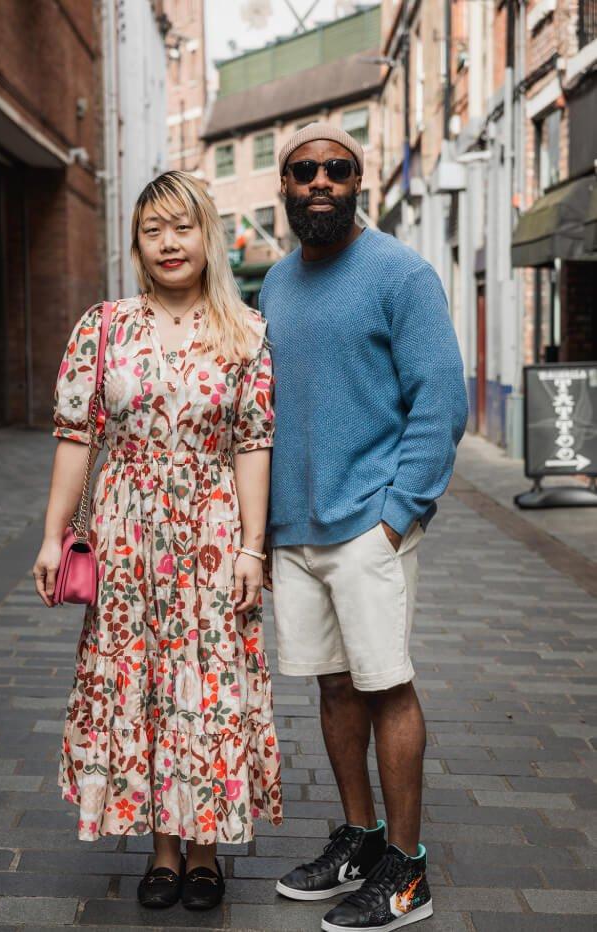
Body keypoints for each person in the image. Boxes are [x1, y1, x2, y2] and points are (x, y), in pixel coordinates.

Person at [32, 170, 282, 912]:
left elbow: (253, 443)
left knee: (205, 689)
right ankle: (162, 850)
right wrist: (53, 538)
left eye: (183, 227)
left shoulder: (247, 333)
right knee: (137, 688)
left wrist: (251, 548)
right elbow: (76, 437)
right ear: (138, 244)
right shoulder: (103, 326)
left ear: (207, 235)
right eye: (153, 230)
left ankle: (204, 848)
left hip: (210, 536)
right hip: (124, 538)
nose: (169, 243)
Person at [259, 123, 468, 931]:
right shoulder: (275, 283)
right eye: (304, 169)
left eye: (336, 169)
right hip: (296, 529)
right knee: (333, 683)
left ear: (358, 181)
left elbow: (440, 402)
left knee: (386, 684)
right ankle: (359, 837)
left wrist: (396, 515)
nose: (320, 180)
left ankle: (407, 871)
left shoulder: (400, 274)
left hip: (368, 525)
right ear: (285, 187)